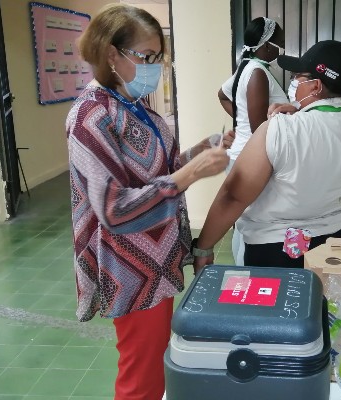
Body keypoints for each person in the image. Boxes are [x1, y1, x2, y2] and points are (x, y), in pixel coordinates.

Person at [66, 5, 231, 399]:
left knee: (156, 364)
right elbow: (113, 209)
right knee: (141, 378)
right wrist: (191, 173)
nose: (154, 67)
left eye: (158, 57)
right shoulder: (91, 116)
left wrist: (206, 149)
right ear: (111, 54)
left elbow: (163, 169)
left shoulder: (133, 106)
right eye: (146, 57)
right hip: (132, 268)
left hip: (158, 259)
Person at [192, 40, 341, 271]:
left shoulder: (281, 128)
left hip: (282, 251)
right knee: (325, 306)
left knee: (281, 307)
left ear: (316, 86)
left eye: (298, 76)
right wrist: (300, 111)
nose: (293, 82)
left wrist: (204, 247)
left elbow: (234, 196)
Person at [218, 16, 288, 265]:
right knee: (251, 219)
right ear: (266, 45)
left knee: (244, 217)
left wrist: (241, 120)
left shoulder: (247, 68)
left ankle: (243, 267)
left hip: (241, 152)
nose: (281, 49)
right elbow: (260, 128)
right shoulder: (257, 72)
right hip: (251, 155)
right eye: (279, 43)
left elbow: (222, 94)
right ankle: (245, 269)